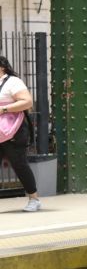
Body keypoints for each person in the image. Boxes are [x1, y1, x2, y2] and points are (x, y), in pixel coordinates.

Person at [0, 56, 39, 212]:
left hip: (13, 131)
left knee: (19, 164)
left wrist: (3, 109)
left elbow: (27, 102)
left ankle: (34, 199)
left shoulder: (13, 82)